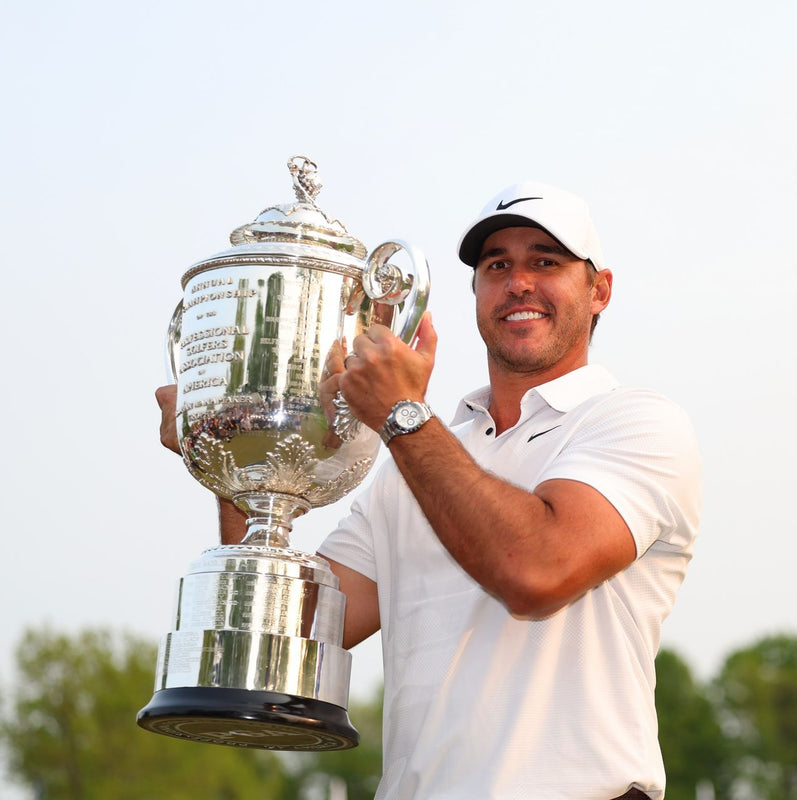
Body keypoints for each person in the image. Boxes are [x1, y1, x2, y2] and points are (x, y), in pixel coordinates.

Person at [157, 181, 701, 800]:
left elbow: (535, 572)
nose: (519, 282)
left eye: (545, 262)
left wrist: (401, 415)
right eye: (497, 266)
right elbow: (299, 634)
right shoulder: (413, 463)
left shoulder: (636, 422)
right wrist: (237, 443)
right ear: (476, 294)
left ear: (599, 289)